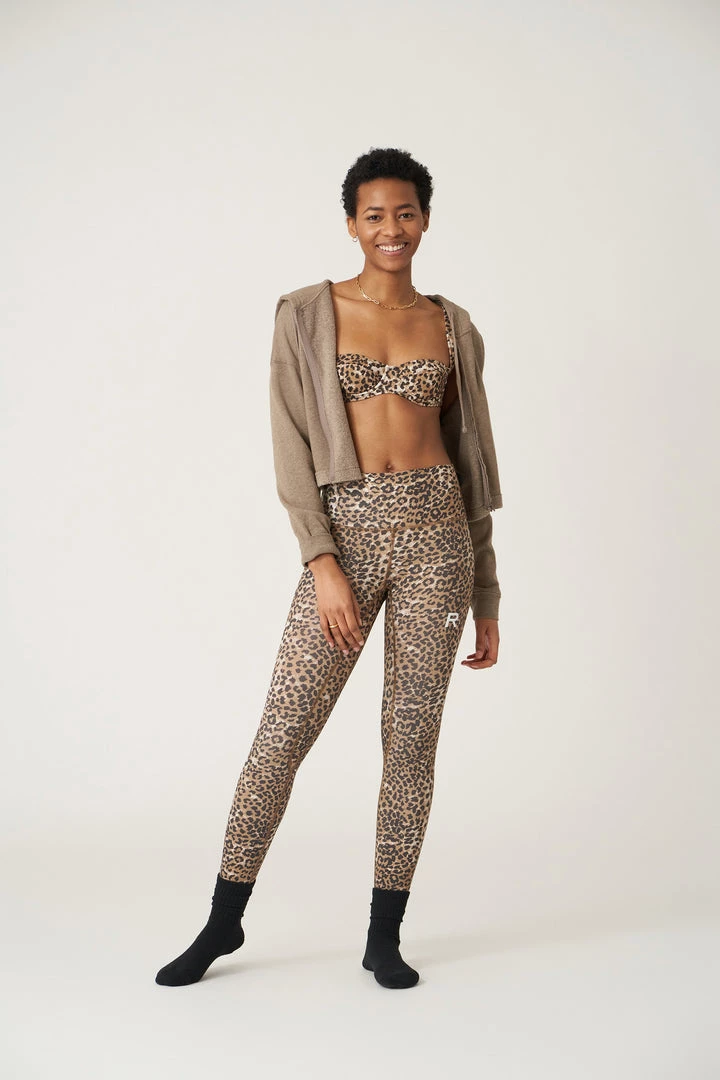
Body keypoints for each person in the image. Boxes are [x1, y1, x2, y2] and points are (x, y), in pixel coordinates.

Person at [155, 146, 503, 991]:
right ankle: (224, 919)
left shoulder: (452, 326)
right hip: (345, 534)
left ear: (425, 220)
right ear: (351, 223)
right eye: (374, 214)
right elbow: (290, 442)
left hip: (437, 539)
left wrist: (486, 590)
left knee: (410, 742)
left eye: (406, 213)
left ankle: (384, 935)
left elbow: (471, 459)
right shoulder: (307, 313)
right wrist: (321, 558)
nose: (392, 228)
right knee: (282, 734)